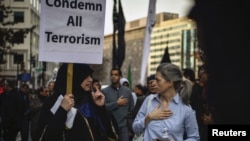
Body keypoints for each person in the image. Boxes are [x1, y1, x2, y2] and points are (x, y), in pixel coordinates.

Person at [34, 63, 119, 141]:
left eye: (90, 76)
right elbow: (44, 136)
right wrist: (62, 111)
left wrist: (101, 108)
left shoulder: (91, 100)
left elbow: (111, 134)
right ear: (74, 77)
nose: (90, 79)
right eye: (85, 76)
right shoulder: (53, 102)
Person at [132, 63, 200, 141]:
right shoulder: (149, 100)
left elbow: (194, 137)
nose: (154, 83)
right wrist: (149, 117)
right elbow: (135, 128)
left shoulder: (186, 108)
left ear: (169, 83)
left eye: (158, 80)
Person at [102, 68, 134, 141]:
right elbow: (103, 108)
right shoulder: (104, 91)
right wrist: (116, 103)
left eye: (116, 75)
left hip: (124, 127)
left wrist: (131, 128)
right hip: (110, 127)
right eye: (112, 75)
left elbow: (131, 110)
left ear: (120, 77)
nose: (113, 76)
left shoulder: (127, 91)